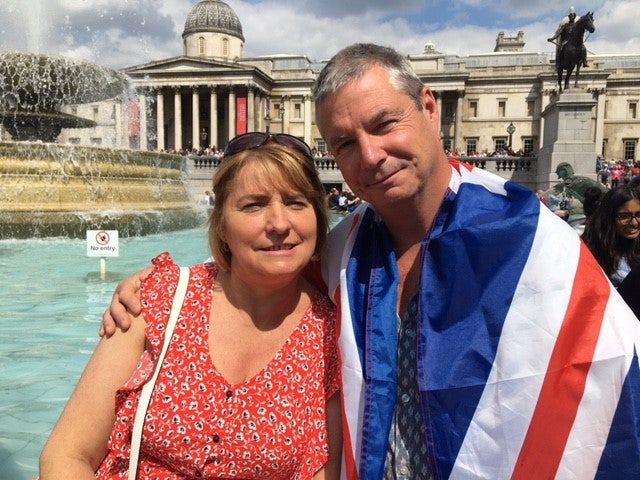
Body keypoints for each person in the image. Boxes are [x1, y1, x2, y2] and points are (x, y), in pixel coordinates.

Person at [103, 44, 640, 479]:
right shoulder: (343, 247)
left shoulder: (529, 236)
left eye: (385, 124)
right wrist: (161, 283)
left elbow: (612, 376)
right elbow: (259, 269)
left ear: (430, 107)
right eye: (344, 143)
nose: (371, 155)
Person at [40, 134, 342, 479]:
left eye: (295, 202)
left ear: (318, 217)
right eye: (253, 205)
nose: (278, 224)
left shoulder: (331, 334)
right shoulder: (157, 298)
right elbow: (67, 455)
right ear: (222, 225)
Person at [582, 184, 640, 317]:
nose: (634, 222)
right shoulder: (590, 251)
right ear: (609, 217)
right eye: (625, 216)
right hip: (610, 319)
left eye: (638, 215)